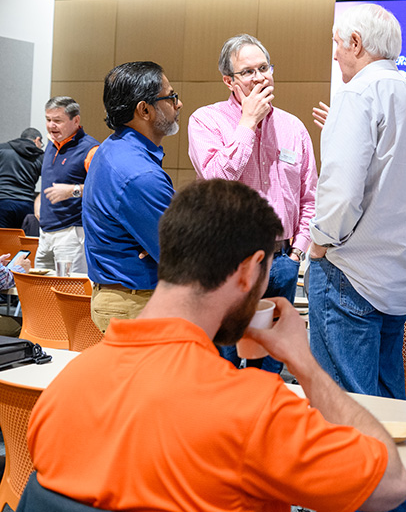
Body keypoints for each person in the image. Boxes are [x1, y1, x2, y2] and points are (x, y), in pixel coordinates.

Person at [25, 178, 406, 512]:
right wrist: (305, 364)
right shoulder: (255, 409)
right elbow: (390, 486)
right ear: (248, 269)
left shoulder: (60, 392)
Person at [309, 6, 406, 447]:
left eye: (336, 43)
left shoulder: (358, 94)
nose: (335, 54)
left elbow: (342, 193)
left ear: (356, 43)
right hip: (397, 278)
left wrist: (319, 242)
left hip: (352, 274)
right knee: (388, 413)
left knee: (345, 419)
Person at [188, 33, 317, 372]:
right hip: (228, 260)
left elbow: (310, 197)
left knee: (273, 363)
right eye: (247, 72)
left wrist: (296, 253)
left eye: (264, 68)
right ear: (228, 81)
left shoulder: (293, 128)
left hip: (281, 261)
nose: (260, 77)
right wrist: (247, 124)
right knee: (224, 362)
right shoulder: (206, 121)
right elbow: (217, 179)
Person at [83, 61, 182, 332]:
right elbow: (181, 254)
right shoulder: (139, 174)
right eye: (171, 97)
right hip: (137, 303)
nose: (179, 104)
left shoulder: (111, 149)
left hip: (124, 297)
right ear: (145, 109)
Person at [36, 97, 99, 273]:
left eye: (57, 121)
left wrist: (73, 191)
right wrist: (39, 199)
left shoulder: (90, 149)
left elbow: (103, 188)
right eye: (48, 120)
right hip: (45, 233)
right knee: (40, 292)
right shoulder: (51, 144)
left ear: (76, 120)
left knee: (67, 290)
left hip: (71, 233)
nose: (51, 125)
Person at [0, 128, 44, 228]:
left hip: (2, 202)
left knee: (2, 240)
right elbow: (51, 178)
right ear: (37, 140)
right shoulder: (40, 156)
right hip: (26, 204)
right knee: (22, 241)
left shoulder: (2, 149)